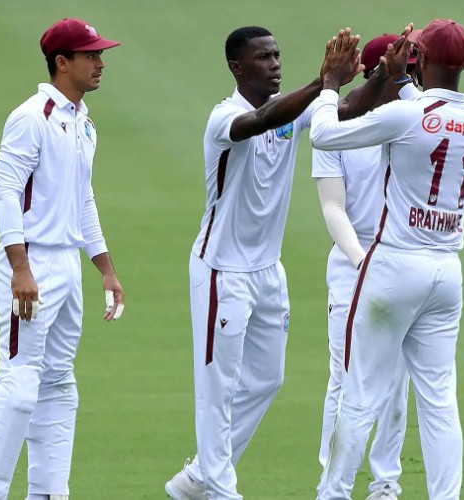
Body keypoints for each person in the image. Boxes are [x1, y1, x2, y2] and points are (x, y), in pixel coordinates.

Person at [164, 25, 413, 500]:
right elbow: (260, 119)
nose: (274, 63)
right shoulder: (225, 117)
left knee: (266, 380)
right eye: (263, 57)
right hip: (222, 270)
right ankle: (219, 488)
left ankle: (200, 477)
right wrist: (324, 81)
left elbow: (347, 110)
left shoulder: (292, 112)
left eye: (277, 54)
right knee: (218, 388)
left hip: (268, 271)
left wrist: (384, 72)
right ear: (237, 67)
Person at [310, 19, 464, 500]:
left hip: (393, 264)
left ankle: (333, 492)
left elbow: (323, 135)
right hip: (447, 271)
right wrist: (400, 81)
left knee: (360, 392)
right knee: (439, 400)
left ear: (422, 59)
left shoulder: (405, 115)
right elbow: (432, 113)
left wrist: (330, 86)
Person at [0, 17, 125, 500]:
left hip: (67, 264)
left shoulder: (84, 122)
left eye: (100, 54)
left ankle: (49, 492)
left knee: (58, 383)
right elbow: (5, 191)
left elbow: (83, 199)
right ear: (62, 62)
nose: (100, 63)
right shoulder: (31, 116)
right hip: (31, 263)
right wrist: (20, 267)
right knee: (19, 388)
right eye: (90, 55)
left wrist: (105, 268)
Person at [312, 34, 418, 500]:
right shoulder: (335, 126)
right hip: (353, 266)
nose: (412, 76)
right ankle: (332, 479)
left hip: (407, 266)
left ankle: (385, 482)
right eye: (403, 67)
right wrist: (362, 260)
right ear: (378, 74)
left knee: (397, 383)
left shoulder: (420, 121)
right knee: (345, 377)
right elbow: (333, 207)